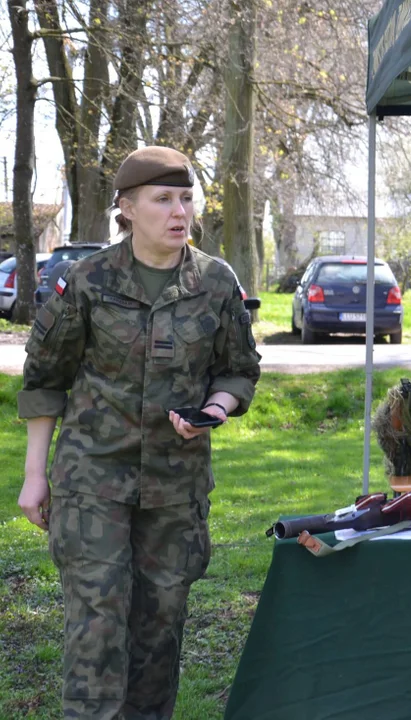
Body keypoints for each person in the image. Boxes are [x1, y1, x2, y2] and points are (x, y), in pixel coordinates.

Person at [16, 145, 262, 719]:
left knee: (160, 624)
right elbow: (45, 379)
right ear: (126, 208)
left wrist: (216, 409)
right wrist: (35, 476)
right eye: (163, 200)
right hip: (91, 479)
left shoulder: (216, 283)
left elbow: (238, 369)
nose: (180, 212)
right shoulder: (87, 280)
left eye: (185, 199)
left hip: (176, 487)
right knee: (97, 621)